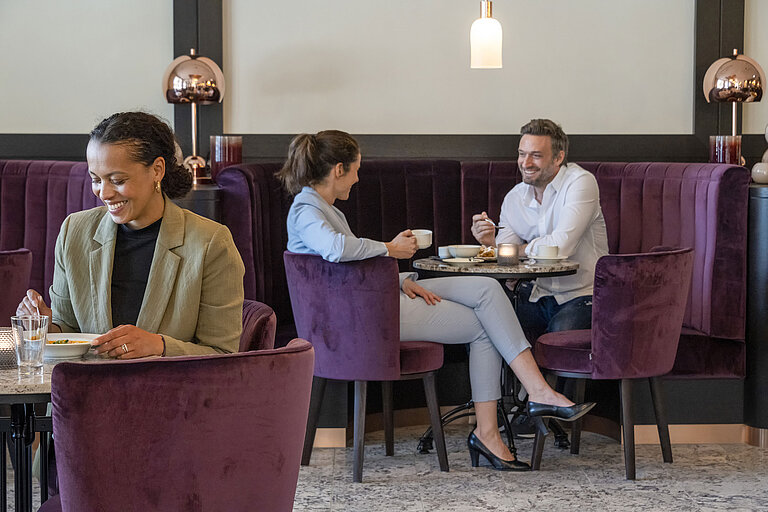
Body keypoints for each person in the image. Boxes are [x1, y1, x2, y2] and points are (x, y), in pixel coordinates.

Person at [278, 129, 595, 471]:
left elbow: (344, 273)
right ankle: (493, 429)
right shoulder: (305, 209)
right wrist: (390, 249)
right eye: (355, 170)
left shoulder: (325, 210)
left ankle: (533, 394)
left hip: (372, 301)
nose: (357, 179)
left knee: (486, 289)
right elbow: (336, 250)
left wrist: (400, 280)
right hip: (362, 318)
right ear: (338, 169)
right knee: (486, 325)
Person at [16, 111, 245, 357]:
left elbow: (223, 354)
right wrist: (45, 326)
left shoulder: (211, 243)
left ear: (157, 170)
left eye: (117, 180)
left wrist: (159, 346)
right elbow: (69, 328)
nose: (104, 193)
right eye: (96, 180)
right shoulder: (74, 231)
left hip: (166, 383)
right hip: (88, 380)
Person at [472, 119, 609, 342]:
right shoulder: (515, 197)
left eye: (536, 155)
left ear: (558, 158)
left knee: (560, 331)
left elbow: (560, 247)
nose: (525, 163)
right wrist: (490, 243)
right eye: (522, 154)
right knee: (485, 320)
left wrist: (515, 250)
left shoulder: (581, 182)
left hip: (585, 295)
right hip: (538, 295)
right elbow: (506, 257)